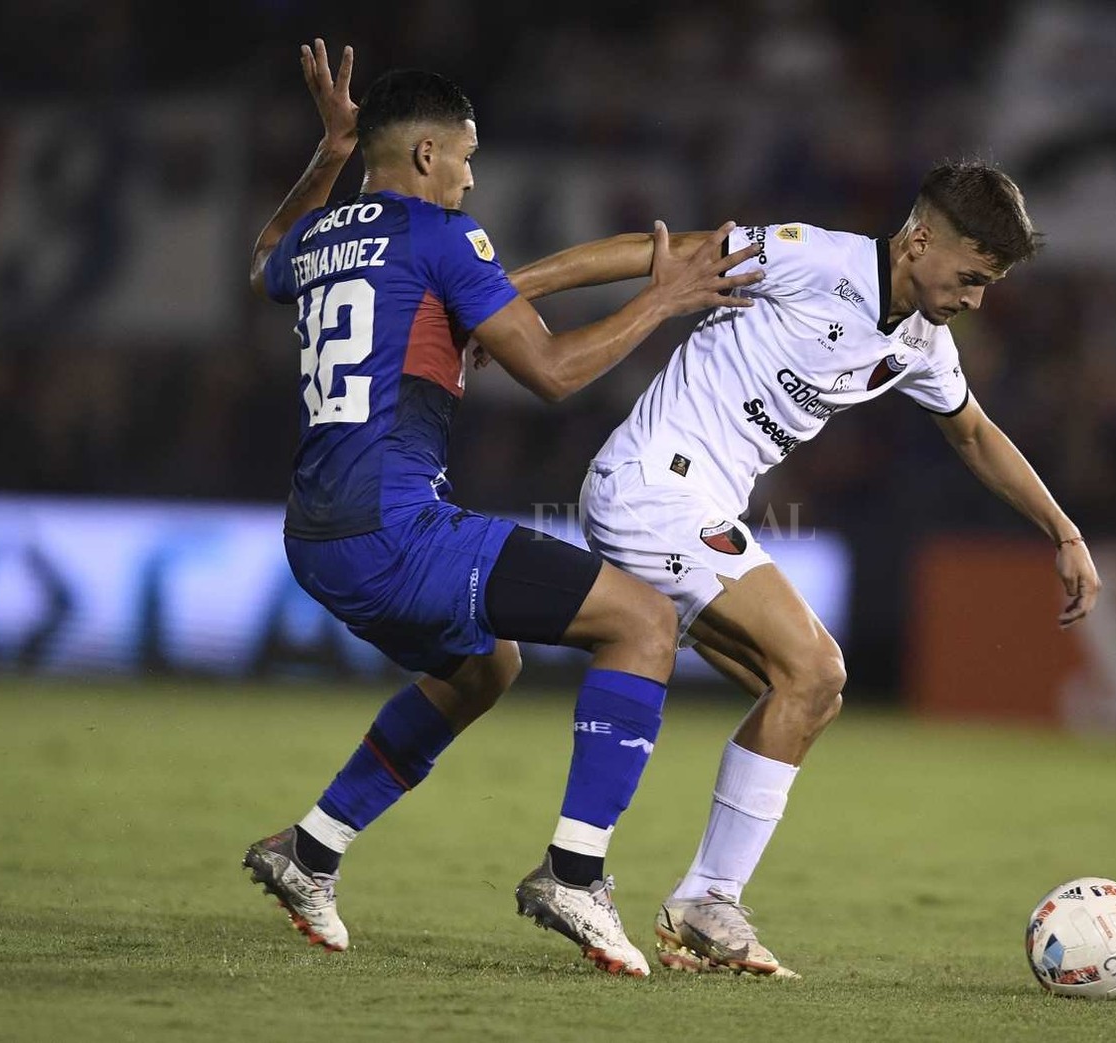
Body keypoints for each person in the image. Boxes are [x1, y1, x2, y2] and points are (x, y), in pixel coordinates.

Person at [240, 40, 761, 978]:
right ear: (429, 156)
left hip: (315, 537)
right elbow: (555, 373)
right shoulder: (441, 236)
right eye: (467, 156)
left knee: (483, 665)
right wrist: (665, 295)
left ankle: (308, 848)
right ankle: (575, 871)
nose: (473, 180)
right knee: (642, 622)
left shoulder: (323, 236)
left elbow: (265, 259)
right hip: (395, 532)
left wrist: (329, 153)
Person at [509, 163, 1102, 977]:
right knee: (816, 664)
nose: (974, 299)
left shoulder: (921, 342)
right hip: (654, 485)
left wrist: (1063, 532)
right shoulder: (811, 258)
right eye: (970, 277)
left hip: (691, 508)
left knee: (806, 691)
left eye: (987, 285)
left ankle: (699, 904)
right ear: (919, 241)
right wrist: (503, 297)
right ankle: (676, 891)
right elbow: (658, 254)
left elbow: (973, 433)